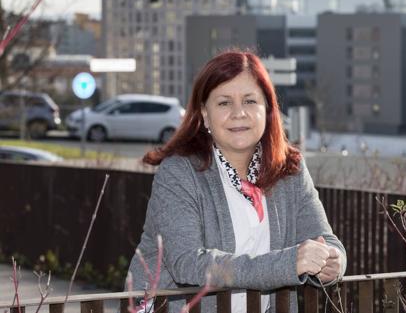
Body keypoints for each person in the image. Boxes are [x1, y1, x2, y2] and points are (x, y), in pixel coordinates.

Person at [127, 50, 346, 313]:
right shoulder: (178, 172)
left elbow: (328, 242)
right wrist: (289, 263)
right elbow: (187, 263)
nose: (239, 113)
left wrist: (332, 263)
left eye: (250, 101)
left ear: (267, 109)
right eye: (224, 103)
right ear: (205, 115)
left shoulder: (291, 169)